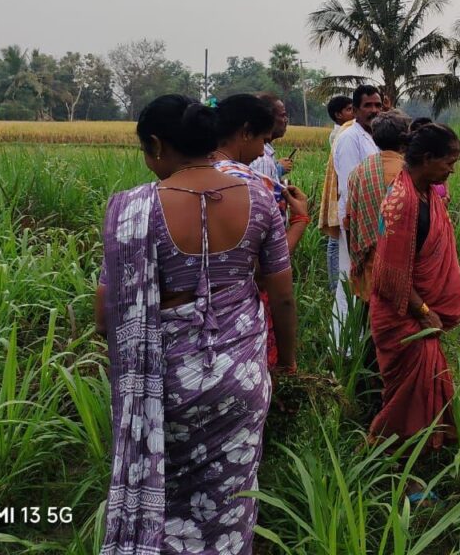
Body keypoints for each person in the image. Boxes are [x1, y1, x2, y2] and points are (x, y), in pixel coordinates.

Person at [94, 94, 297, 553]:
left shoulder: (133, 208)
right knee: (230, 498)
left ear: (157, 145)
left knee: (164, 497)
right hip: (242, 378)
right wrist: (286, 362)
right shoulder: (261, 198)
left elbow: (105, 314)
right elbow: (283, 296)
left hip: (164, 383)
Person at [369, 123, 460, 486]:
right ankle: (391, 465)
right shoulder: (403, 200)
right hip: (403, 317)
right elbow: (389, 276)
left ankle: (416, 458)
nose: (452, 169)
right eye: (449, 162)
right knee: (404, 399)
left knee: (421, 390)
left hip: (418, 314)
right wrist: (424, 313)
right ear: (427, 158)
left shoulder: (426, 193)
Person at [210, 93, 312, 367]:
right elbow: (268, 270)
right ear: (245, 133)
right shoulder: (255, 186)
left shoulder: (189, 176)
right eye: (263, 142)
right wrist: (300, 220)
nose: (261, 153)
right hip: (240, 321)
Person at [331, 84, 383, 342]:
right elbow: (350, 186)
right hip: (356, 220)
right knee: (351, 280)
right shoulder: (349, 138)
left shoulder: (373, 136)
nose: (374, 110)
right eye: (368, 105)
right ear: (355, 109)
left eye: (377, 105)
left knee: (365, 281)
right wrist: (356, 227)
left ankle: (362, 339)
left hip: (373, 219)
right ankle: (345, 344)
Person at [346, 110, 411, 299]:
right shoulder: (409, 172)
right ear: (405, 138)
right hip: (401, 260)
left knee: (370, 308)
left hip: (369, 258)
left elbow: (349, 219)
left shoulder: (359, 170)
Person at [324, 95, 354, 291]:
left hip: (342, 192)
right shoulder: (341, 134)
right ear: (338, 115)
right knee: (335, 241)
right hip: (340, 193)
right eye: (350, 109)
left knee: (337, 240)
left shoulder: (347, 131)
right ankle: (335, 285)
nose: (354, 113)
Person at [249, 92, 292, 183]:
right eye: (282, 115)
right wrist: (279, 169)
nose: (286, 120)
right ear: (268, 118)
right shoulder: (262, 159)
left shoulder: (261, 152)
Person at [411, 117, 449, 205]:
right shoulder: (413, 158)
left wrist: (447, 195)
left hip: (441, 199)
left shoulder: (439, 151)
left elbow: (444, 175)